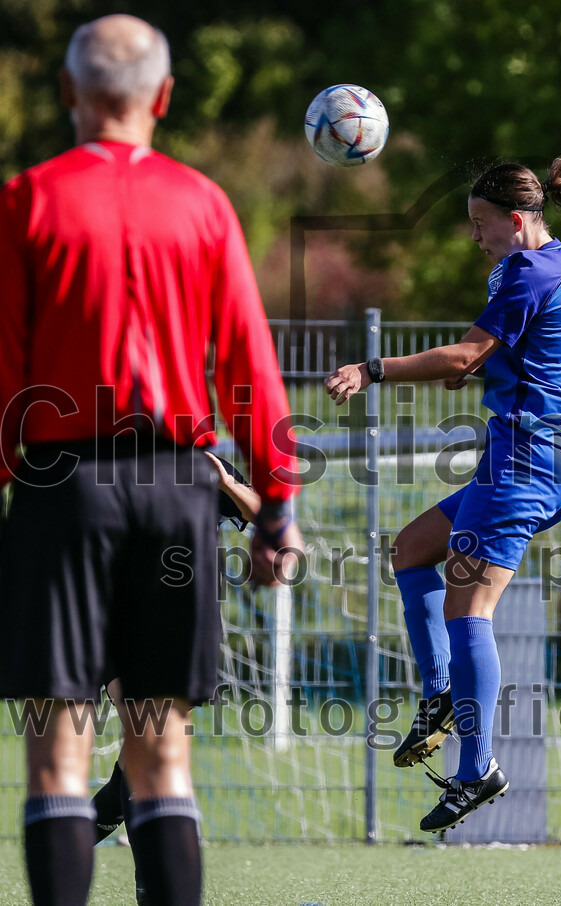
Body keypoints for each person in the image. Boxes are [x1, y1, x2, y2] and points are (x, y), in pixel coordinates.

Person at [0, 15, 303, 906]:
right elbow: (251, 365)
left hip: (64, 486)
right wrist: (277, 503)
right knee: (162, 752)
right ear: (164, 99)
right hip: (178, 485)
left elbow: (4, 366)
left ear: (68, 94)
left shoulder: (26, 198)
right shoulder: (205, 202)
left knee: (58, 749)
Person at [325, 149, 561, 832]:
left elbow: (463, 355)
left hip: (524, 463)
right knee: (412, 548)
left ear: (515, 220)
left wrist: (374, 368)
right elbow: (512, 352)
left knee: (469, 611)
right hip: (550, 460)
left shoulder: (523, 271)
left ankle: (474, 766)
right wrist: (484, 364)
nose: (474, 236)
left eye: (481, 223)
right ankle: (442, 692)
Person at [91, 452, 259, 906]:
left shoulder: (203, 464)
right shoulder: (104, 466)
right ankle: (149, 887)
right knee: (148, 747)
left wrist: (226, 483)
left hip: (186, 630)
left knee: (141, 758)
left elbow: (261, 512)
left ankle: (76, 833)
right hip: (116, 628)